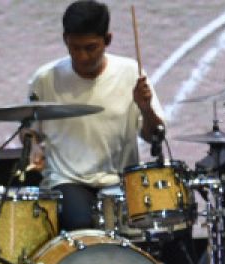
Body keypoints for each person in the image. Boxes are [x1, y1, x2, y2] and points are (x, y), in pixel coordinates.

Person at [28, 0, 166, 232]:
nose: (82, 56)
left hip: (120, 181)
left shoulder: (130, 72)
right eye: (75, 48)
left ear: (108, 40)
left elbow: (154, 136)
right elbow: (32, 131)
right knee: (81, 224)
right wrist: (33, 146)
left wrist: (145, 108)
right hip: (68, 179)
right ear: (65, 40)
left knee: (159, 228)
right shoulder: (45, 79)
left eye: (90, 48)